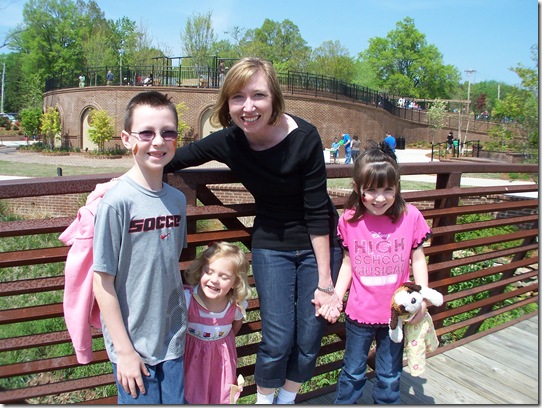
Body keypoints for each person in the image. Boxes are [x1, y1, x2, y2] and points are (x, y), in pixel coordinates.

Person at [164, 57, 343, 405]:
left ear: (274, 98)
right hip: (271, 245)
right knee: (277, 337)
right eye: (237, 97)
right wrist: (126, 182)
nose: (248, 107)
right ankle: (264, 400)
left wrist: (325, 282)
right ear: (227, 103)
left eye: (258, 95)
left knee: (309, 335)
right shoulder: (229, 141)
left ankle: (286, 399)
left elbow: (317, 212)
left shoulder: (304, 137)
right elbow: (173, 158)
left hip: (317, 245)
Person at [92, 91, 188, 404]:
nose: (158, 141)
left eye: (168, 132)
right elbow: (102, 282)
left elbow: (170, 264)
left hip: (172, 338)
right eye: (146, 132)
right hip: (132, 347)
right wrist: (124, 351)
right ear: (126, 138)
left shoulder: (177, 201)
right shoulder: (116, 203)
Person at [318, 141, 431, 404]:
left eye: (387, 189)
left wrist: (423, 299)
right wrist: (336, 297)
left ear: (397, 187)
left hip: (396, 313)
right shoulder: (349, 220)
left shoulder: (410, 216)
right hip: (360, 312)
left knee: (389, 374)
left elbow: (418, 259)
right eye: (371, 190)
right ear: (357, 188)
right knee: (353, 371)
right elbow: (348, 264)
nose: (379, 198)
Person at [183, 241, 250, 404]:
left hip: (220, 362)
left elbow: (236, 325)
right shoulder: (188, 299)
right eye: (209, 272)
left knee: (219, 395)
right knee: (191, 394)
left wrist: (219, 341)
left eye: (224, 277)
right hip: (191, 358)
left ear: (235, 282)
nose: (214, 280)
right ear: (200, 271)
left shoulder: (235, 305)